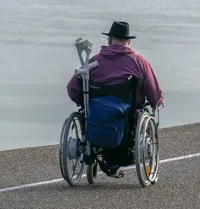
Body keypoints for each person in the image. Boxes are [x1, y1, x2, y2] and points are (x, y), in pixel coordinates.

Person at [66, 20, 164, 178]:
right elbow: (153, 93)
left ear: (109, 40)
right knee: (138, 111)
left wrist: (80, 102)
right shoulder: (139, 63)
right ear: (129, 42)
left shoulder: (92, 63)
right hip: (127, 119)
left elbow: (72, 89)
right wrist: (157, 102)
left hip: (95, 117)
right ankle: (115, 161)